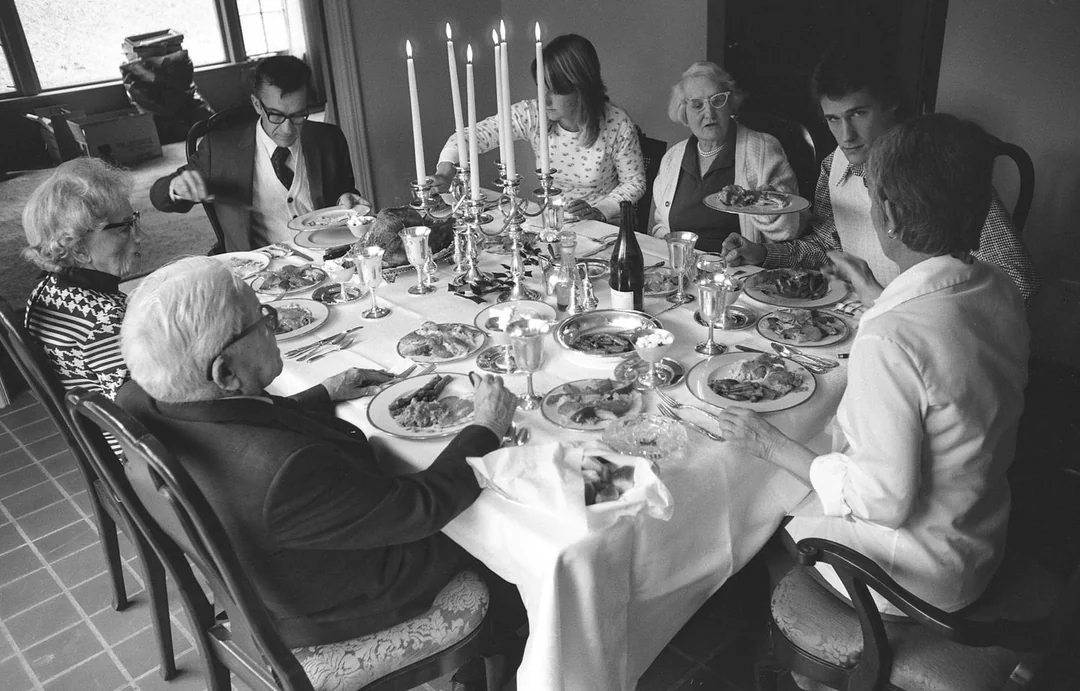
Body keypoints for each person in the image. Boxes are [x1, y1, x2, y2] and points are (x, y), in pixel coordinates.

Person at [116, 257, 524, 681]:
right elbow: (420, 508)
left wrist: (324, 392)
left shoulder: (140, 399)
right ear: (225, 372)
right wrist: (485, 426)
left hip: (268, 574)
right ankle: (505, 653)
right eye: (264, 320)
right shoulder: (285, 473)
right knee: (508, 541)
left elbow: (233, 428)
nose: (273, 329)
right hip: (337, 605)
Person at [716, 113, 1029, 617]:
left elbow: (883, 501)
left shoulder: (890, 337)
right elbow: (940, 345)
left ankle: (819, 654)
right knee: (810, 472)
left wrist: (769, 443)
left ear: (888, 215)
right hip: (978, 536)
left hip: (920, 575)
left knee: (770, 517)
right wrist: (877, 297)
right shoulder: (998, 288)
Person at [721, 40, 1039, 304]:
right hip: (861, 318)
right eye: (833, 119)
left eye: (858, 113)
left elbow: (1018, 280)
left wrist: (918, 315)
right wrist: (763, 252)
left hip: (922, 333)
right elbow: (824, 248)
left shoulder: (936, 164)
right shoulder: (834, 165)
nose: (847, 135)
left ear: (891, 104)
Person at [150, 55, 369, 252]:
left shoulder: (329, 139)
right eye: (276, 115)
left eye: (298, 115)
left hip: (331, 260)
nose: (288, 129)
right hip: (260, 270)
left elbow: (345, 196)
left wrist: (347, 199)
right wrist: (176, 187)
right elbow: (158, 197)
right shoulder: (219, 150)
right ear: (257, 104)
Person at [432, 33, 645, 223]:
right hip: (553, 221)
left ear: (581, 89)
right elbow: (470, 136)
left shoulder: (617, 124)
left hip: (605, 225)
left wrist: (601, 210)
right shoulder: (532, 115)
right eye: (541, 87)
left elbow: (634, 182)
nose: (545, 99)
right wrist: (444, 172)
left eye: (555, 90)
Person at [22, 157, 144, 401]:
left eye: (135, 221)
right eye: (124, 228)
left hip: (91, 421)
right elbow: (139, 403)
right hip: (127, 433)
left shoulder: (46, 289)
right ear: (77, 248)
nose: (138, 236)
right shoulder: (105, 319)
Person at [651, 61, 803, 253]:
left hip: (739, 269)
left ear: (730, 104)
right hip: (684, 268)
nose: (709, 113)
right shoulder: (672, 159)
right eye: (697, 105)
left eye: (717, 100)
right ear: (684, 112)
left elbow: (790, 230)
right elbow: (662, 227)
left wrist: (768, 206)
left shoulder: (764, 149)